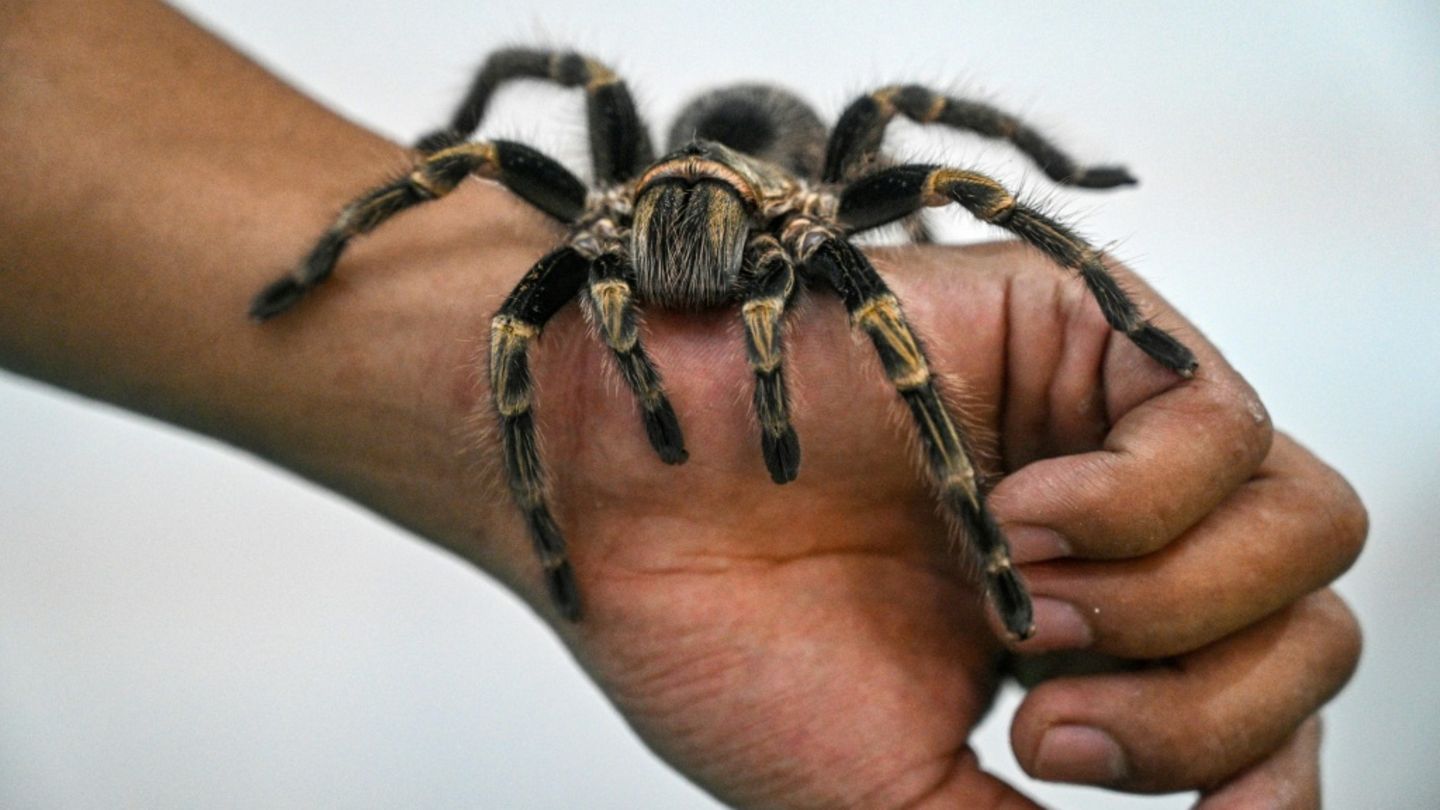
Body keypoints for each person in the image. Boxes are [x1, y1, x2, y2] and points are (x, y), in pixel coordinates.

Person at [0, 2, 1365, 806]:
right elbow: (480, 156)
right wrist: (535, 496)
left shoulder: (821, 213)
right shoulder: (603, 218)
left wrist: (1087, 276)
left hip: (776, 164)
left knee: (938, 211)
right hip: (656, 188)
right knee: (500, 141)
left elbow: (969, 193)